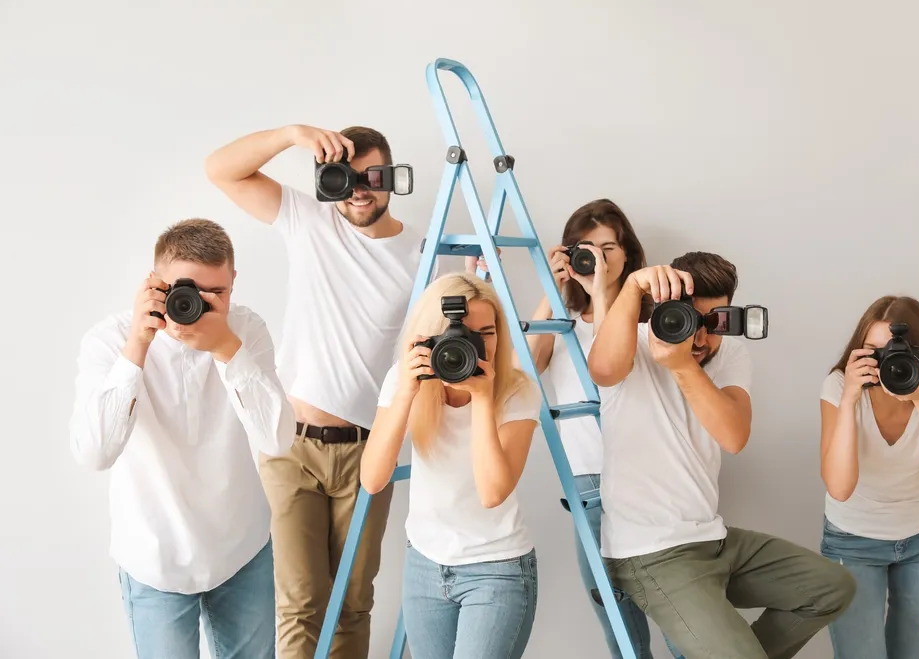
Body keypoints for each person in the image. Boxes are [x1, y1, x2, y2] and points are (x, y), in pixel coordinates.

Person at [205, 123, 469, 658]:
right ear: (328, 181)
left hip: (369, 449)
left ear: (392, 176)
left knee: (352, 602)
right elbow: (220, 170)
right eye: (345, 179)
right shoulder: (309, 219)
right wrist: (293, 134)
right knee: (300, 602)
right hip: (292, 446)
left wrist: (478, 278)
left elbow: (446, 342)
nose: (359, 191)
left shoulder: (424, 253)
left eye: (372, 177)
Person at [586, 251, 857, 659]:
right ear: (664, 309)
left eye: (714, 323)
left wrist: (682, 366)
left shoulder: (730, 354)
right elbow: (603, 371)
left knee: (832, 587)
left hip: (712, 539)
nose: (701, 338)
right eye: (691, 320)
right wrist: (632, 286)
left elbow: (733, 436)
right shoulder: (634, 341)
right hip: (650, 552)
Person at [69, 218, 295, 659]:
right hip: (155, 557)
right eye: (187, 291)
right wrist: (137, 346)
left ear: (233, 282)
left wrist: (226, 347)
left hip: (240, 547)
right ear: (155, 284)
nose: (201, 305)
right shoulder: (110, 340)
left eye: (217, 293)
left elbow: (278, 439)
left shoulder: (245, 330)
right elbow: (94, 453)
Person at [524, 198, 682, 659]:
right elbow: (526, 373)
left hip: (647, 480)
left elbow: (608, 367)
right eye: (586, 248)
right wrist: (550, 287)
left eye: (608, 247)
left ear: (628, 255)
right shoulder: (563, 324)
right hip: (587, 484)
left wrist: (600, 294)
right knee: (616, 618)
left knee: (680, 613)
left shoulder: (653, 323)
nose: (597, 257)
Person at [360, 272, 543, 659]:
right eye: (459, 333)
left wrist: (483, 398)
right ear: (431, 337)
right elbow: (372, 479)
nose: (473, 344)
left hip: (497, 569)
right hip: (424, 563)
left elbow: (492, 493)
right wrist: (407, 392)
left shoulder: (517, 391)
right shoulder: (404, 380)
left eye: (486, 333)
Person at [818, 295, 919, 659]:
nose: (888, 363)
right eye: (875, 352)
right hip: (852, 541)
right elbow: (840, 488)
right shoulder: (839, 386)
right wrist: (849, 400)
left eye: (899, 352)